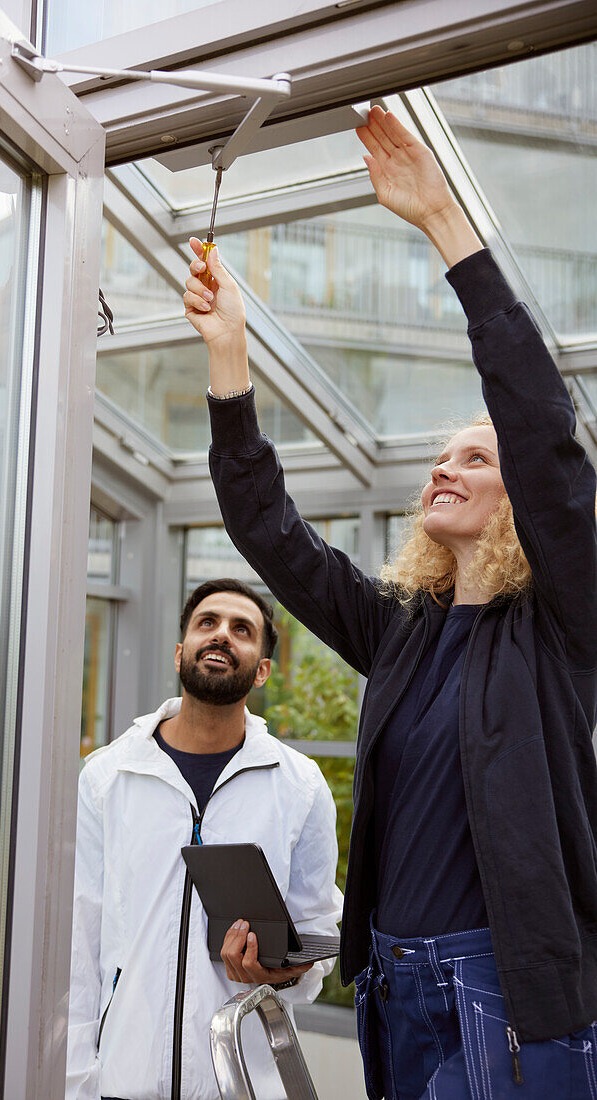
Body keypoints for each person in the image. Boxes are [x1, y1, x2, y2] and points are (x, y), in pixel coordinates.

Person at [184, 106, 597, 1098]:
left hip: (502, 993)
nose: (444, 466)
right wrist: (227, 355)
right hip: (391, 981)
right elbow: (265, 528)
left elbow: (540, 432)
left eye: (474, 456)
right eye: (442, 453)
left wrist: (441, 224)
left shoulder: (560, 624)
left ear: (515, 502)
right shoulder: (398, 632)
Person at [66, 578, 342, 1100]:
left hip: (242, 1081)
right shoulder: (108, 777)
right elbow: (81, 942)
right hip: (124, 1079)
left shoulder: (300, 786)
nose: (221, 636)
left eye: (242, 630)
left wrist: (280, 974)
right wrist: (77, 1084)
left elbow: (315, 935)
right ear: (180, 653)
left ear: (262, 669)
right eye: (207, 623)